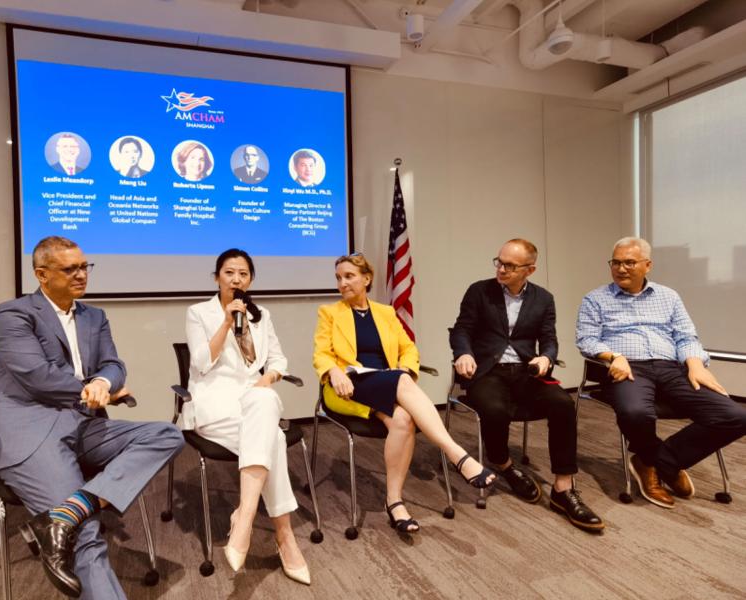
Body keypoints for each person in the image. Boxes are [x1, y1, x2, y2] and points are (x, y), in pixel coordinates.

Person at [0, 236, 184, 599]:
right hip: (31, 431)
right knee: (87, 536)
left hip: (84, 424)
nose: (81, 275)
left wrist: (104, 381)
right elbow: (36, 375)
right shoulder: (13, 314)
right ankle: (76, 519)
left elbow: (114, 364)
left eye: (84, 266)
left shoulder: (94, 316)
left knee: (167, 435)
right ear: (42, 275)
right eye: (69, 268)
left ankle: (65, 514)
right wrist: (90, 389)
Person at [313, 253, 496, 534]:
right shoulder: (330, 313)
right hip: (348, 386)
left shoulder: (385, 313)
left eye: (349, 276)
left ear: (366, 278)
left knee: (403, 420)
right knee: (399, 381)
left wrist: (408, 371)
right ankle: (456, 454)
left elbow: (408, 349)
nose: (342, 283)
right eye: (339, 277)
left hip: (387, 382)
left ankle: (394, 501)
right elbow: (321, 353)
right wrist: (334, 372)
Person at [576, 236, 746, 509]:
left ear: (648, 265)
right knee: (635, 413)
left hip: (671, 367)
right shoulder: (595, 299)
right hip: (628, 367)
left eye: (629, 262)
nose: (621, 268)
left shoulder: (668, 296)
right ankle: (660, 464)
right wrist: (613, 356)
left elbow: (686, 336)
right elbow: (587, 339)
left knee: (734, 416)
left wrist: (694, 362)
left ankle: (654, 461)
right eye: (616, 262)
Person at [451, 239, 603, 532]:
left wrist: (547, 357)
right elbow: (462, 329)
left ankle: (563, 487)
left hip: (526, 369)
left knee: (562, 404)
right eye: (499, 261)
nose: (501, 269)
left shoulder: (544, 299)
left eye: (510, 265)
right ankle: (504, 464)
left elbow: (549, 338)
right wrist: (464, 353)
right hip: (488, 370)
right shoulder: (479, 291)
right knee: (495, 409)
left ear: (529, 270)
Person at [184, 248, 310, 585]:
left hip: (255, 399)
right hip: (216, 403)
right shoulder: (199, 312)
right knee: (275, 438)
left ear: (250, 279)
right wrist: (226, 322)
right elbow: (199, 363)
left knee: (264, 400)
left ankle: (245, 518)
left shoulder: (261, 315)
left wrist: (267, 377)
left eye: (243, 273)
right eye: (229, 273)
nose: (236, 279)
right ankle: (284, 536)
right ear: (216, 278)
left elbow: (279, 360)